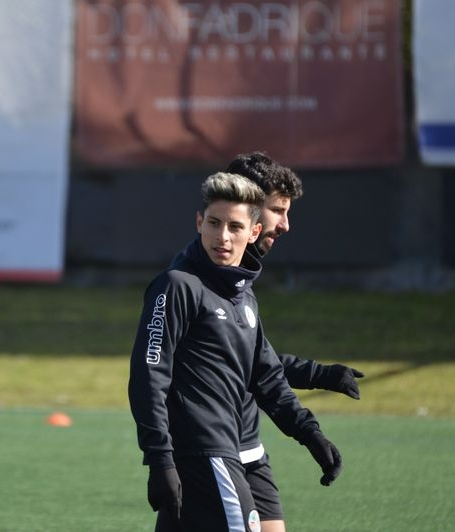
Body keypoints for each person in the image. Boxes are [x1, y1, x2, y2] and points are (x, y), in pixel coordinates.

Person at [128, 172, 342, 532]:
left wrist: (310, 435)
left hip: (228, 448)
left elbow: (266, 375)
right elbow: (149, 376)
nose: (222, 237)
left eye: (234, 227)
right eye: (213, 223)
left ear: (253, 233)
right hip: (203, 452)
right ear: (199, 222)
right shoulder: (178, 286)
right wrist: (159, 458)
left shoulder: (242, 293)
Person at [225, 152, 364, 532]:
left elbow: (253, 358)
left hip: (248, 446)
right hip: (212, 454)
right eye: (278, 210)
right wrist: (308, 432)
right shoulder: (199, 282)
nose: (286, 225)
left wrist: (322, 374)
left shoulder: (241, 280)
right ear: (248, 207)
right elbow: (257, 372)